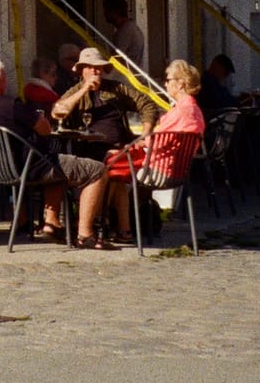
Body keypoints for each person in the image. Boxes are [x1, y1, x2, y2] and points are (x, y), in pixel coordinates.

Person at [0, 57, 104, 242]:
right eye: (4, 78)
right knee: (97, 170)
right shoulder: (11, 105)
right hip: (31, 167)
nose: (6, 82)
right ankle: (86, 233)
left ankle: (50, 223)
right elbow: (45, 129)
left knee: (55, 164)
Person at [77, 59, 206, 250]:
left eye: (168, 79)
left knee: (104, 169)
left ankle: (93, 227)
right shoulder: (194, 110)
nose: (165, 83)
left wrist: (134, 145)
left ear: (181, 84)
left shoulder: (181, 111)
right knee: (115, 166)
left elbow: (156, 142)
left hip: (158, 169)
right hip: (178, 171)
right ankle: (123, 230)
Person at [51, 47, 149, 157]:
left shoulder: (116, 88)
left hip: (121, 147)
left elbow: (146, 104)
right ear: (82, 70)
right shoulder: (75, 91)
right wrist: (84, 89)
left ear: (102, 70)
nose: (94, 71)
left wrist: (144, 136)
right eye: (89, 67)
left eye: (97, 67)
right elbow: (57, 112)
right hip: (90, 150)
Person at [102, 0, 146, 69]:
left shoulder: (125, 31)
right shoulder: (129, 28)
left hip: (126, 76)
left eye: (107, 10)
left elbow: (116, 59)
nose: (104, 14)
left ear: (115, 12)